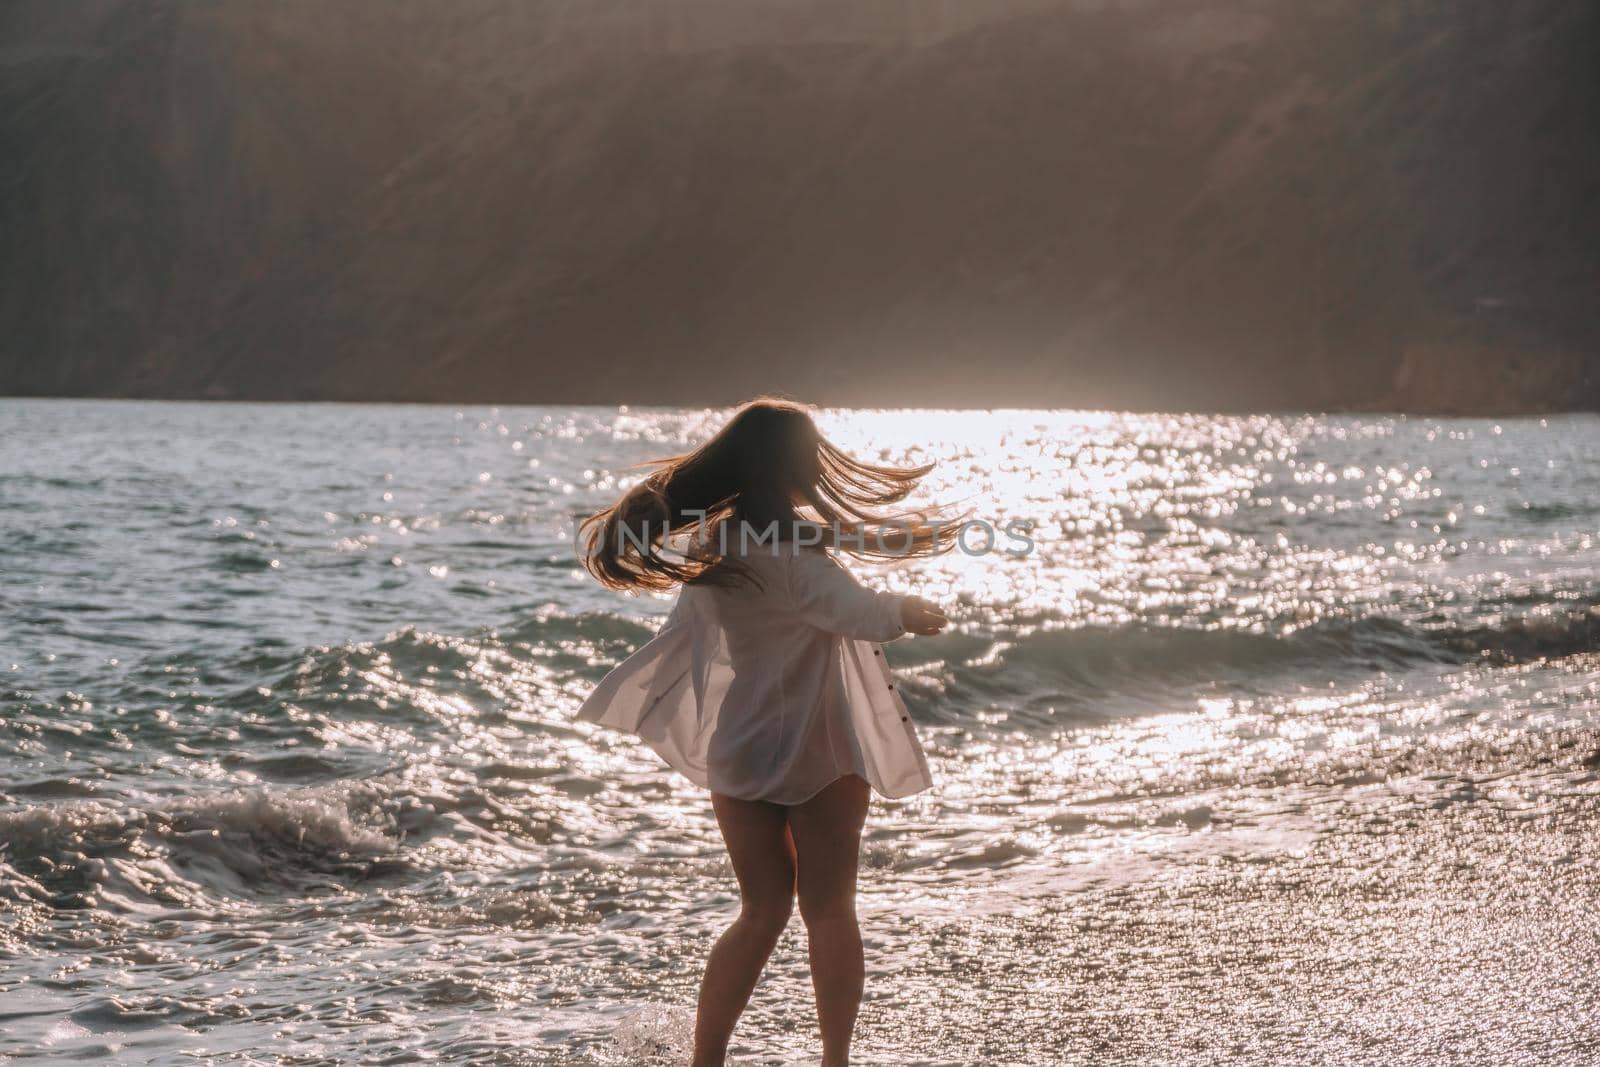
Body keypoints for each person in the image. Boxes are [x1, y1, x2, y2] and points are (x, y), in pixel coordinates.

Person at [576, 397, 955, 1066]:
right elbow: (853, 610)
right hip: (820, 746)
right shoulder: (794, 551)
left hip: (741, 747)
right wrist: (910, 610)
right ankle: (834, 1060)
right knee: (831, 908)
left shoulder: (714, 549)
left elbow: (696, 635)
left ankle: (707, 1059)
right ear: (795, 464)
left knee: (760, 911)